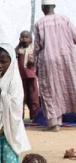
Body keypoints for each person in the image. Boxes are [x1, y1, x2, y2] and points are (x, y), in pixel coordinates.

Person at [34, 1, 76, 131]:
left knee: (50, 90)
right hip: (67, 58)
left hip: (48, 60)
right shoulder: (65, 20)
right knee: (72, 86)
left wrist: (35, 65)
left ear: (42, 8)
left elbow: (37, 46)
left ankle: (54, 124)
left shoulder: (40, 23)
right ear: (54, 6)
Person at [16, 31, 39, 121]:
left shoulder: (33, 48)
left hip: (32, 76)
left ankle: (34, 117)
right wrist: (19, 44)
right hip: (21, 77)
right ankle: (20, 117)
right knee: (21, 97)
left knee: (33, 97)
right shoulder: (19, 49)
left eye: (26, 37)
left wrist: (33, 61)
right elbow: (13, 54)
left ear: (30, 39)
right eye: (23, 37)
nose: (24, 39)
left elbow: (38, 58)